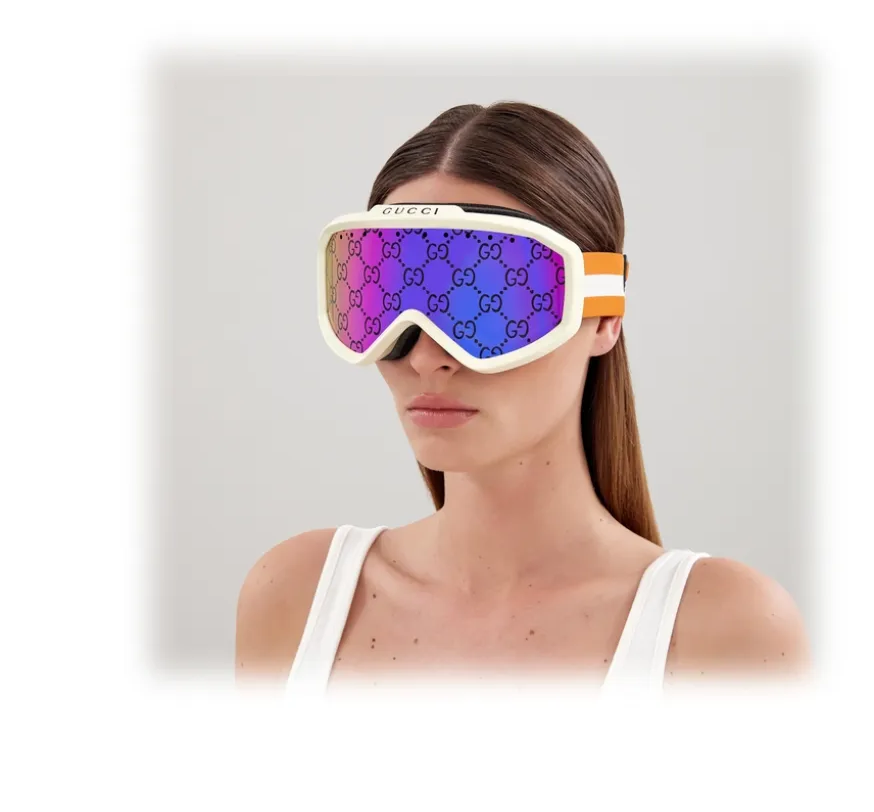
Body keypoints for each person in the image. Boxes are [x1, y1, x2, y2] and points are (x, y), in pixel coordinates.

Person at [235, 101, 809, 692]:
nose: (427, 357)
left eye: (486, 300)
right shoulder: (295, 596)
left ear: (605, 315)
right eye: (387, 297)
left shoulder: (728, 630)